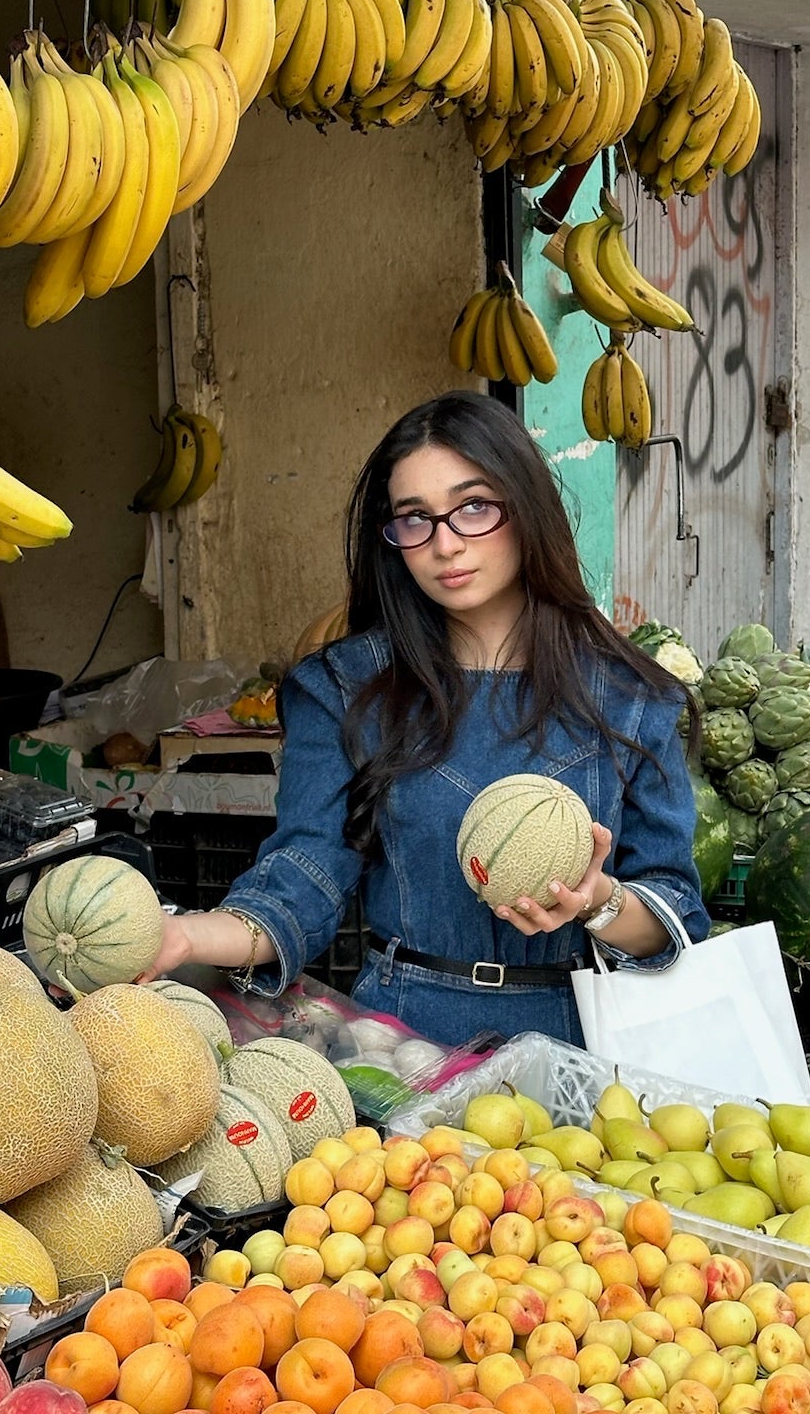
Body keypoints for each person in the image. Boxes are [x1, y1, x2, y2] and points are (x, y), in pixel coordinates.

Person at [142, 391, 707, 1045]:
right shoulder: (347, 687)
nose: (445, 544)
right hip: (402, 1035)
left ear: (526, 507)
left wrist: (599, 899)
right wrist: (185, 934)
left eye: (473, 508)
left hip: (575, 1036)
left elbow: (675, 909)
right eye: (415, 518)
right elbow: (306, 870)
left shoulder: (628, 696)